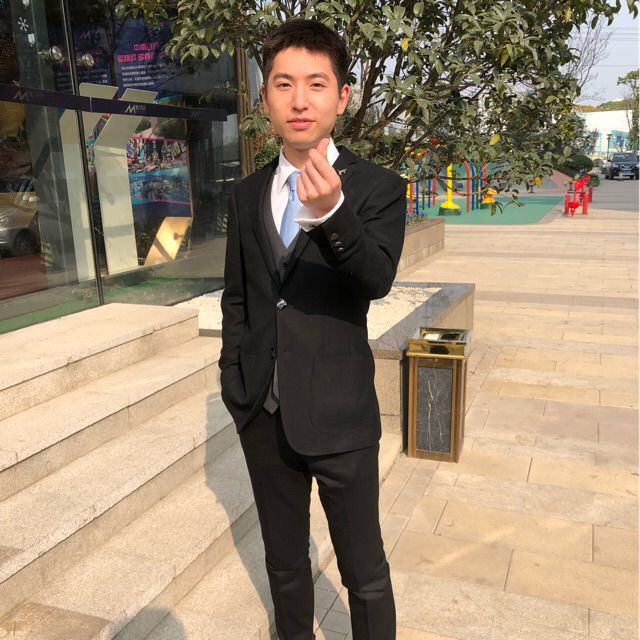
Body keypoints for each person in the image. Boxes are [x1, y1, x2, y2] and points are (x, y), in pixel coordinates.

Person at [218, 18, 407, 640]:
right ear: (265, 96)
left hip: (339, 413)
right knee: (284, 562)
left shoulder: (378, 188)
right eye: (284, 84)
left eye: (317, 84)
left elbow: (376, 279)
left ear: (342, 97)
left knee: (364, 571)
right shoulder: (247, 193)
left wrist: (333, 215)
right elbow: (240, 298)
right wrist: (235, 383)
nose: (300, 101)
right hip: (263, 410)